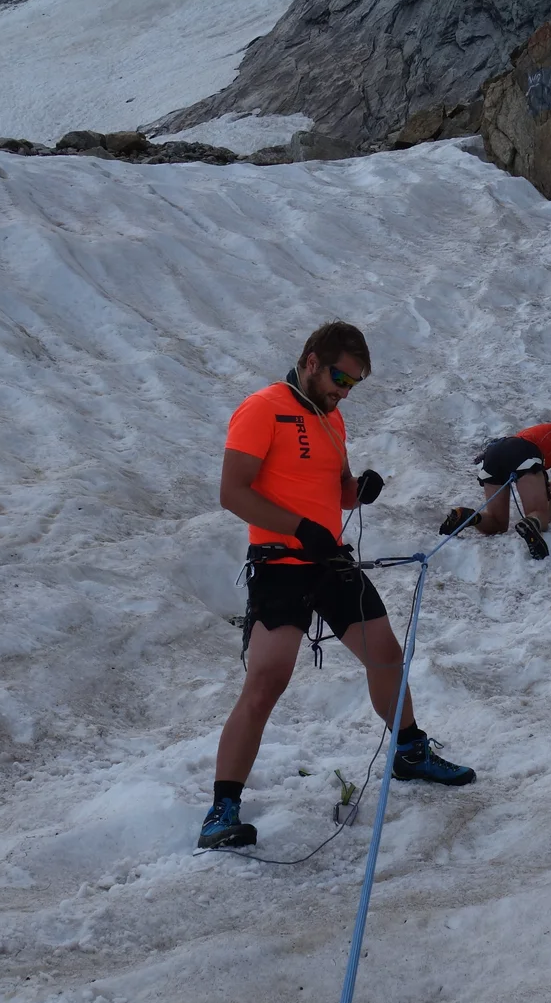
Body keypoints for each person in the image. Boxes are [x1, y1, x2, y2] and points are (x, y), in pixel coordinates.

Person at [200, 321, 476, 850]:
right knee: (267, 682)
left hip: (329, 563)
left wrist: (357, 490)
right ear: (310, 360)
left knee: (385, 654)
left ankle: (410, 753)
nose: (343, 391)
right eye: (338, 378)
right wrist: (300, 528)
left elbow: (338, 492)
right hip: (280, 564)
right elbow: (232, 493)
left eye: (352, 384)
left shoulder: (332, 420)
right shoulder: (262, 408)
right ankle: (221, 809)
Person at [440, 422, 551, 559]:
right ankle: (531, 524)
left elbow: (544, 485)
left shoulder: (545, 454)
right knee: (539, 516)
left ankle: (465, 516)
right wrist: (548, 515)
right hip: (523, 453)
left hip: (496, 453)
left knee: (497, 523)